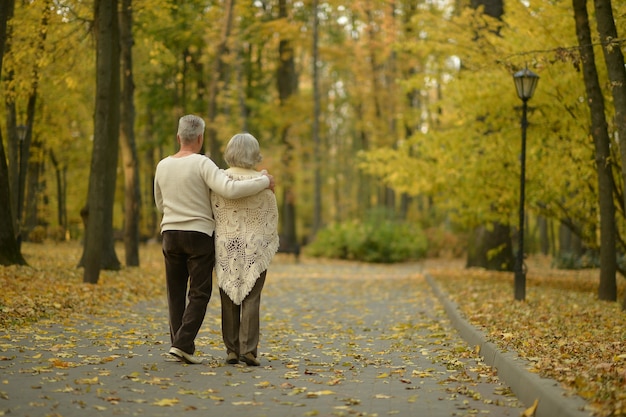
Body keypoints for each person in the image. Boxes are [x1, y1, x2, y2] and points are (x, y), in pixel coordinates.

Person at [154, 115, 274, 365]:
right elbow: (229, 190)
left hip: (170, 233)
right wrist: (263, 180)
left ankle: (179, 343)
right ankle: (183, 344)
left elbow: (159, 202)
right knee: (199, 293)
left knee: (174, 292)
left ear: (178, 137)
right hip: (198, 234)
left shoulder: (162, 165)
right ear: (200, 138)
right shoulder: (203, 163)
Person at [211, 133, 279, 366]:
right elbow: (270, 219)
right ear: (255, 153)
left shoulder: (219, 180)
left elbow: (213, 212)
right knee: (251, 296)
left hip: (225, 244)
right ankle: (248, 349)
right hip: (255, 246)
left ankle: (231, 349)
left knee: (228, 295)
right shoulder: (264, 182)